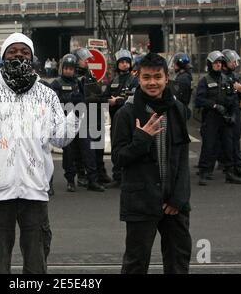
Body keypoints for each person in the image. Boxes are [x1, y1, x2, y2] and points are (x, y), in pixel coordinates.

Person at [0, 32, 80, 274]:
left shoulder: (46, 95)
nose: (19, 55)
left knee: (36, 265)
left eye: (24, 51)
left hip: (35, 191)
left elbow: (60, 138)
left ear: (32, 57)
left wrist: (78, 112)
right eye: (12, 51)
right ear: (3, 57)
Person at [111, 52, 192, 274]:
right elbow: (118, 159)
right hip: (141, 202)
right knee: (135, 264)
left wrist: (179, 198)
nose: (152, 83)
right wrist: (142, 139)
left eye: (157, 77)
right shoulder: (126, 114)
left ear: (167, 77)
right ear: (138, 78)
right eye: (147, 77)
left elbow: (183, 158)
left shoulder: (178, 110)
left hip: (174, 204)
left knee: (178, 262)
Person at [51, 53, 104, 193]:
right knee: (68, 154)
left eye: (71, 68)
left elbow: (91, 97)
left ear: (75, 69)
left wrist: (82, 98)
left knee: (89, 150)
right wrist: (68, 99)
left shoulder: (79, 82)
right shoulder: (56, 84)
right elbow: (52, 102)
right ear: (62, 68)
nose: (68, 71)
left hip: (81, 121)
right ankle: (70, 180)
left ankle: (92, 180)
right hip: (65, 123)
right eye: (66, 68)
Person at [195, 50, 241, 185]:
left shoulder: (227, 79)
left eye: (220, 63)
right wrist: (214, 106)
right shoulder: (205, 80)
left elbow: (233, 99)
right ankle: (204, 173)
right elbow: (199, 100)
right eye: (215, 63)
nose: (218, 65)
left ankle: (229, 173)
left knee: (228, 146)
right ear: (210, 64)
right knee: (209, 146)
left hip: (225, 118)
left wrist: (233, 114)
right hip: (211, 118)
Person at [74, 47, 111, 186]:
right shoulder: (76, 77)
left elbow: (96, 91)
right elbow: (83, 97)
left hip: (96, 113)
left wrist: (104, 99)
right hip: (85, 116)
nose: (87, 62)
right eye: (85, 60)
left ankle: (100, 173)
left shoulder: (90, 75)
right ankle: (83, 174)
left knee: (98, 146)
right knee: (83, 149)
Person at [104, 49, 136, 189]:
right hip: (115, 119)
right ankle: (117, 176)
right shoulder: (113, 81)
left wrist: (118, 101)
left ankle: (129, 176)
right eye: (121, 62)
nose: (124, 65)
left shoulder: (135, 80)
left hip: (130, 121)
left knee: (130, 148)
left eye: (126, 62)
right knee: (116, 148)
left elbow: (134, 99)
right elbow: (105, 95)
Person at [221, 49, 241, 178]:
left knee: (235, 139)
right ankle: (227, 166)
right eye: (233, 61)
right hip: (223, 112)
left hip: (236, 111)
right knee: (225, 141)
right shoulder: (219, 76)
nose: (235, 64)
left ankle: (237, 166)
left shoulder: (235, 76)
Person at [170, 53, 193, 117]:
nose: (173, 65)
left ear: (179, 64)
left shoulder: (182, 79)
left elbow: (177, 96)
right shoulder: (186, 76)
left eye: (174, 63)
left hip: (180, 111)